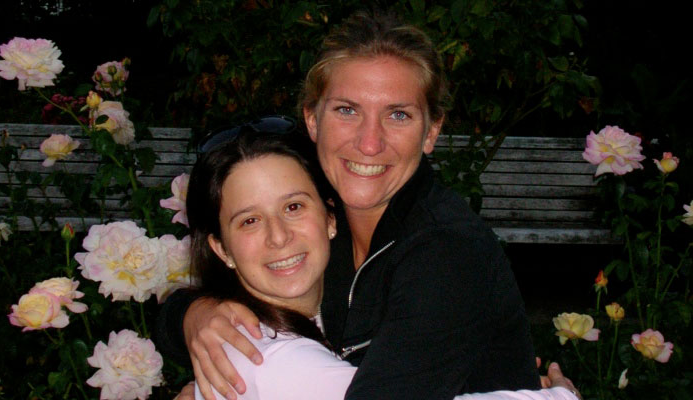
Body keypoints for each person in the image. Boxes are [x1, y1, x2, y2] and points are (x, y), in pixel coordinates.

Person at [157, 12, 542, 400]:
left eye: (398, 115)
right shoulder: (318, 212)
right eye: (347, 110)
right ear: (312, 119)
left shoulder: (446, 252)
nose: (369, 143)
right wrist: (193, 314)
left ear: (432, 132)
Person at [181, 132, 579, 400]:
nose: (278, 236)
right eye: (250, 220)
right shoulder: (273, 362)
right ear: (221, 248)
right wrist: (558, 396)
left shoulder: (331, 305)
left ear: (330, 219)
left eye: (294, 207)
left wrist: (188, 310)